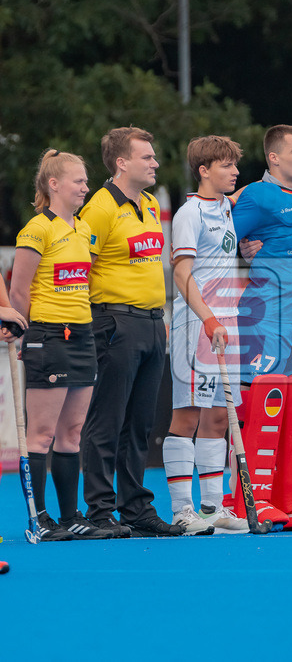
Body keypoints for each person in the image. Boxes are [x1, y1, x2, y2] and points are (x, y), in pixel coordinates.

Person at [78, 127, 181, 537]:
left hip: (153, 321)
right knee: (107, 420)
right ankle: (100, 511)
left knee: (140, 423)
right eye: (147, 157)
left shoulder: (152, 203)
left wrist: (159, 319)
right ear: (122, 163)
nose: (155, 162)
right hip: (114, 321)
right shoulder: (99, 208)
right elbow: (79, 268)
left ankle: (135, 509)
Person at [9, 149, 110, 540]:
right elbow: (19, 291)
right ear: (54, 185)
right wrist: (26, 333)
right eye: (79, 181)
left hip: (82, 333)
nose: (86, 187)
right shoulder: (37, 229)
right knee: (43, 434)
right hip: (50, 335)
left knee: (72, 433)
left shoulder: (83, 229)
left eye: (86, 181)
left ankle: (71, 517)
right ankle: (40, 518)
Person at [163, 135, 249, 535]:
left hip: (226, 326)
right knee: (187, 415)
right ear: (204, 170)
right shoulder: (189, 213)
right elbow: (181, 274)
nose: (234, 171)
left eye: (235, 165)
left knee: (217, 418)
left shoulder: (227, 209)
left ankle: (213, 508)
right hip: (196, 325)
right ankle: (183, 510)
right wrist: (210, 320)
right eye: (226, 165)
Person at [232, 125, 292, 382]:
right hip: (268, 319)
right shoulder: (257, 194)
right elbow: (222, 241)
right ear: (274, 158)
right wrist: (242, 250)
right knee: (260, 412)